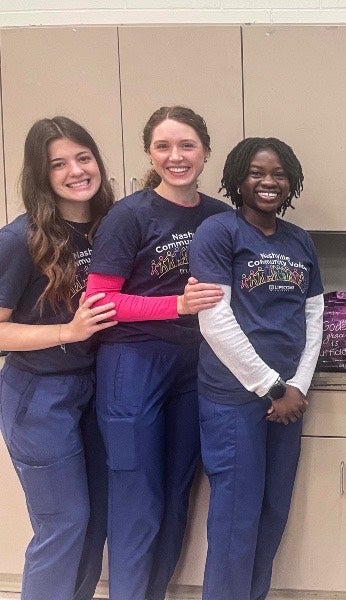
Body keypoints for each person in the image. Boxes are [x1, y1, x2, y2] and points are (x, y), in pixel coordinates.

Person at [84, 106, 229, 600]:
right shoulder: (129, 216)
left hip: (195, 368)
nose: (176, 157)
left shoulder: (219, 217)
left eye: (186, 145)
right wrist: (176, 304)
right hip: (133, 364)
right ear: (150, 152)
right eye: (163, 147)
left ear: (205, 151)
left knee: (174, 493)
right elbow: (100, 301)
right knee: (135, 496)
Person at [188, 137, 324, 600]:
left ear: (291, 183)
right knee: (234, 521)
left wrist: (297, 386)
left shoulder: (299, 240)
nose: (269, 182)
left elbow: (313, 316)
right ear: (237, 180)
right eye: (257, 173)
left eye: (279, 174)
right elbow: (215, 318)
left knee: (271, 512)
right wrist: (271, 386)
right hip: (234, 398)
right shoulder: (218, 232)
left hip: (288, 399)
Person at [0, 116, 116, 600]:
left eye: (83, 157)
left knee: (94, 524)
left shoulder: (110, 226)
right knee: (64, 523)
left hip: (97, 389)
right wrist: (67, 331)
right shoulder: (20, 238)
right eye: (59, 163)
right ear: (40, 174)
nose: (76, 171)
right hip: (40, 397)